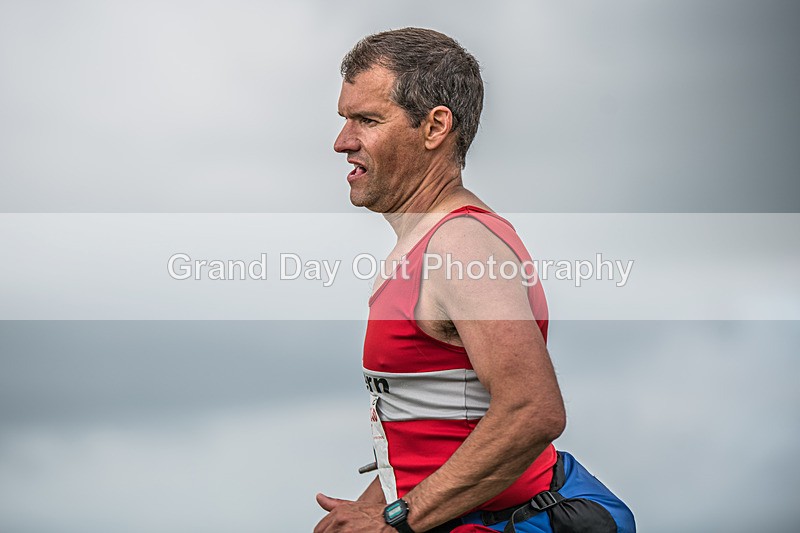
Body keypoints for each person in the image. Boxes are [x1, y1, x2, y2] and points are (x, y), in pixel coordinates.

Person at [314, 28, 635, 533]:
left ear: (435, 126)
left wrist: (394, 520)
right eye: (344, 119)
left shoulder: (460, 246)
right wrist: (374, 502)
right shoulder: (425, 244)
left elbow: (533, 410)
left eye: (367, 120)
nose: (342, 141)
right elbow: (441, 420)